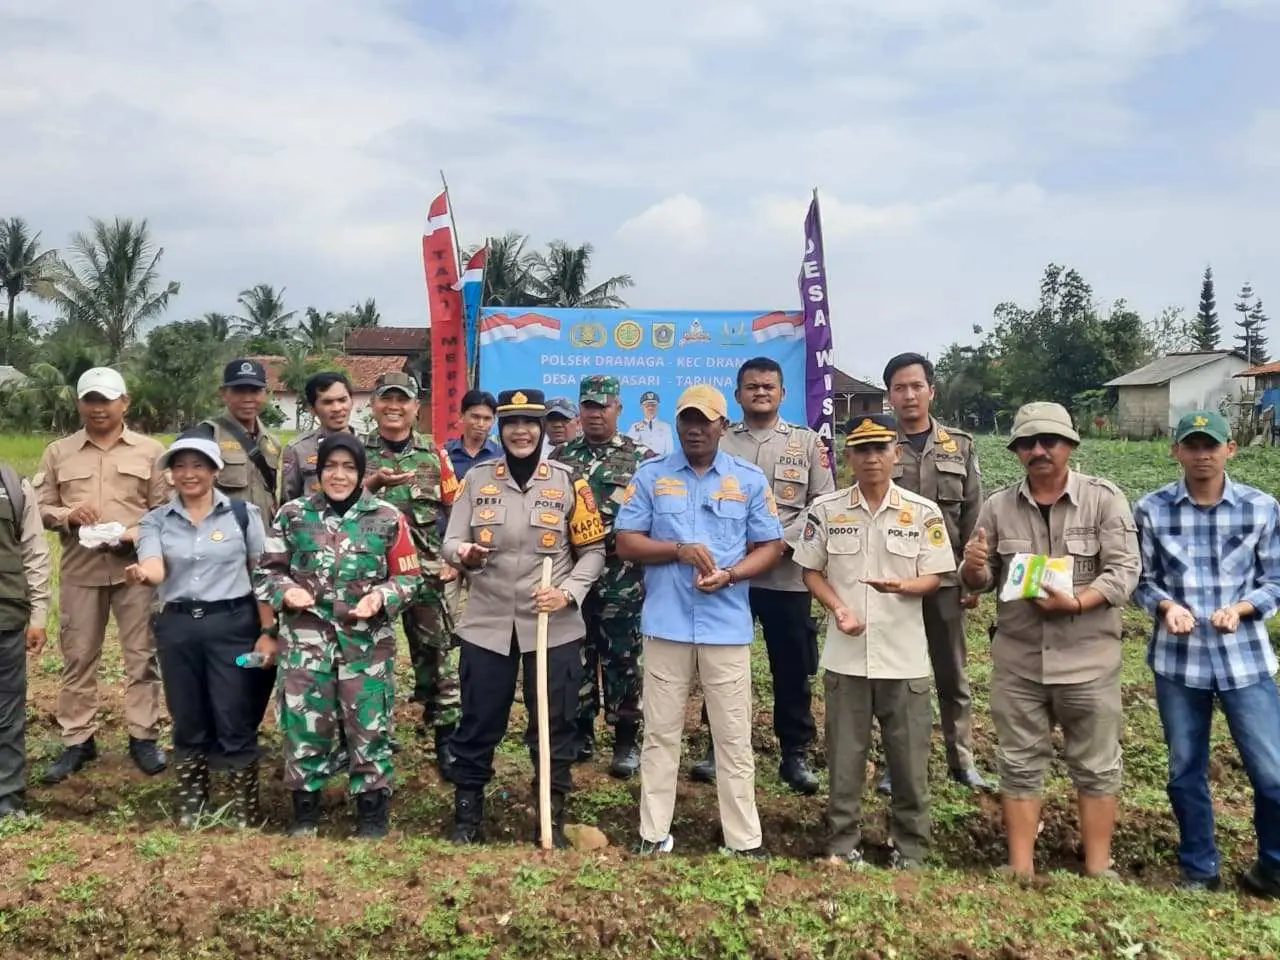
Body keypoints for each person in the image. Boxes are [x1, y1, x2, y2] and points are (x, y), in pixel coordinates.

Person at [960, 402, 1139, 879]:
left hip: (1089, 661)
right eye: (1027, 443)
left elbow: (1124, 572)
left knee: (1097, 765)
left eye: (1049, 441)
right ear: (1016, 450)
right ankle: (1020, 868)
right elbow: (981, 579)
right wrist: (972, 569)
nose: (1038, 451)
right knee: (1018, 762)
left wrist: (1077, 603)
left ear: (1070, 445)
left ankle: (1098, 869)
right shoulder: (998, 506)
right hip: (1019, 662)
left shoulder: (1104, 500)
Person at [616, 384, 784, 856]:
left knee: (733, 738)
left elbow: (771, 546)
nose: (695, 429)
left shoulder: (748, 480)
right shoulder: (650, 475)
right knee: (660, 735)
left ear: (722, 426)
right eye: (687, 419)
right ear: (677, 423)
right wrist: (677, 550)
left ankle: (744, 841)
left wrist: (731, 575)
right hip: (666, 624)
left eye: (705, 421)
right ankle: (653, 834)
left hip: (725, 627)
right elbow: (626, 541)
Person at [443, 389, 606, 848]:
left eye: (530, 424)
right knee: (478, 720)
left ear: (541, 430)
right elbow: (450, 542)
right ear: (501, 429)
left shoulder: (569, 482)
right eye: (511, 423)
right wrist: (464, 553)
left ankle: (550, 815)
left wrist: (567, 593)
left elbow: (594, 551)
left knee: (554, 725)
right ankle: (467, 816)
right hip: (488, 623)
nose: (521, 432)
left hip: (552, 627)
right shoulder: (476, 480)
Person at [795, 414, 955, 869]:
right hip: (847, 658)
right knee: (844, 761)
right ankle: (841, 845)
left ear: (895, 454)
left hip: (904, 658)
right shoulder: (826, 510)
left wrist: (904, 586)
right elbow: (810, 571)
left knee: (909, 763)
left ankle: (911, 850)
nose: (871, 458)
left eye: (880, 448)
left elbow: (935, 575)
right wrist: (837, 608)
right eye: (861, 449)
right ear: (847, 457)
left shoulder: (922, 512)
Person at [1133, 410, 1280, 897]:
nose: (1202, 455)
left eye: (1211, 445)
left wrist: (1240, 609)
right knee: (1184, 771)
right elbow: (1141, 579)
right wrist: (1166, 607)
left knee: (1273, 772)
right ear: (1175, 450)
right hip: (1179, 662)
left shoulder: (1261, 508)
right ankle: (1199, 869)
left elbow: (1275, 581)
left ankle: (1273, 866)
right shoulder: (1151, 510)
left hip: (1245, 660)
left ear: (1229, 449)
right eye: (1192, 445)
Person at [254, 433, 422, 839]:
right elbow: (267, 571)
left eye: (349, 467)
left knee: (369, 728)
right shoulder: (293, 515)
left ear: (361, 473)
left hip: (366, 647)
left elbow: (409, 577)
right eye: (331, 466)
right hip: (306, 645)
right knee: (304, 726)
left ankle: (371, 816)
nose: (339, 475)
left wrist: (381, 597)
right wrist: (285, 591)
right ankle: (305, 815)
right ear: (319, 471)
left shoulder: (387, 517)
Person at [692, 356, 834, 793]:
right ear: (737, 395)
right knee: (722, 666)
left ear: (782, 393)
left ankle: (794, 753)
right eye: (752, 386)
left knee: (791, 667)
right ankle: (717, 747)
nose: (760, 392)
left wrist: (779, 543)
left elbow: (821, 504)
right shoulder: (721, 441)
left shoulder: (807, 443)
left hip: (787, 577)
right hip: (730, 575)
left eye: (768, 386)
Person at [128, 437, 275, 828]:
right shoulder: (155, 520)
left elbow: (261, 576)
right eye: (179, 466)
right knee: (187, 712)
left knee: (235, 710)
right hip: (177, 629)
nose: (188, 474)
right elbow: (155, 566)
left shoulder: (243, 515)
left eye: (198, 465)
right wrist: (144, 574)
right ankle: (193, 802)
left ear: (215, 470)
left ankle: (245, 808)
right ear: (170, 474)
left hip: (233, 627)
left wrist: (268, 630)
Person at [35, 367, 169, 783]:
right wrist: (68, 515)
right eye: (90, 399)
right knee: (78, 656)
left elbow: (165, 512)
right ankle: (78, 739)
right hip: (81, 570)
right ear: (79, 404)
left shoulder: (150, 451)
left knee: (142, 655)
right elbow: (39, 508)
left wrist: (131, 535)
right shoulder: (59, 452)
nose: (98, 408)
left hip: (135, 571)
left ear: (124, 402)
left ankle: (143, 735)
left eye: (106, 400)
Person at [881, 352, 987, 791]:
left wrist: (973, 576)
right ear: (889, 395)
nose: (909, 395)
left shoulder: (958, 446)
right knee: (896, 677)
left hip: (946, 581)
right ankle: (896, 764)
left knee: (951, 673)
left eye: (916, 386)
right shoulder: (879, 444)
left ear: (931, 391)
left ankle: (961, 760)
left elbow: (974, 516)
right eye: (900, 388)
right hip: (894, 582)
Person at [550, 375, 653, 777]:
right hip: (572, 574)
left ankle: (626, 740)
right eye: (589, 406)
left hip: (621, 577)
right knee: (575, 653)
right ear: (580, 410)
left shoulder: (641, 459)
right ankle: (580, 733)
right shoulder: (561, 457)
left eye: (603, 406)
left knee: (623, 657)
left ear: (618, 408)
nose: (596, 413)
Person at [362, 371, 461, 778]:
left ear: (416, 407)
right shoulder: (356, 453)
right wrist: (371, 484)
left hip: (424, 575)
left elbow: (458, 508)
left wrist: (453, 556)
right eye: (386, 398)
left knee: (438, 657)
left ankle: (446, 741)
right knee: (368, 658)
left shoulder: (433, 456)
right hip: (370, 577)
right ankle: (372, 739)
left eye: (402, 399)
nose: (394, 407)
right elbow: (335, 504)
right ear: (373, 405)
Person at [0, 464, 51, 819]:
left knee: (7, 715)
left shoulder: (12, 484)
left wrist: (38, 615)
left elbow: (34, 550)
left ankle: (8, 798)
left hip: (5, 619)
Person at [186, 358, 282, 519]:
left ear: (265, 393)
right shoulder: (207, 435)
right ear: (223, 393)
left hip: (264, 530)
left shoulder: (272, 442)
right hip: (222, 531)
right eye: (239, 391)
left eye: (255, 391)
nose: (247, 398)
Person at [278, 371, 354, 503]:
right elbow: (287, 501)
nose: (337, 408)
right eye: (327, 402)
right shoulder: (298, 450)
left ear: (352, 401)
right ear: (312, 409)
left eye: (342, 400)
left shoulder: (370, 447)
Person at [444, 390, 502, 480]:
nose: (481, 424)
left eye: (487, 419)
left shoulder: (501, 456)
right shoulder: (445, 454)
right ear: (461, 416)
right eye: (475, 417)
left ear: (494, 420)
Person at [627, 391, 673, 457]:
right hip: (641, 462)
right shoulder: (635, 427)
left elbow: (670, 451)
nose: (650, 408)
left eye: (653, 405)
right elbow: (628, 446)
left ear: (657, 406)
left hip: (660, 461)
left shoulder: (666, 427)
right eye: (647, 406)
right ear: (642, 407)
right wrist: (637, 430)